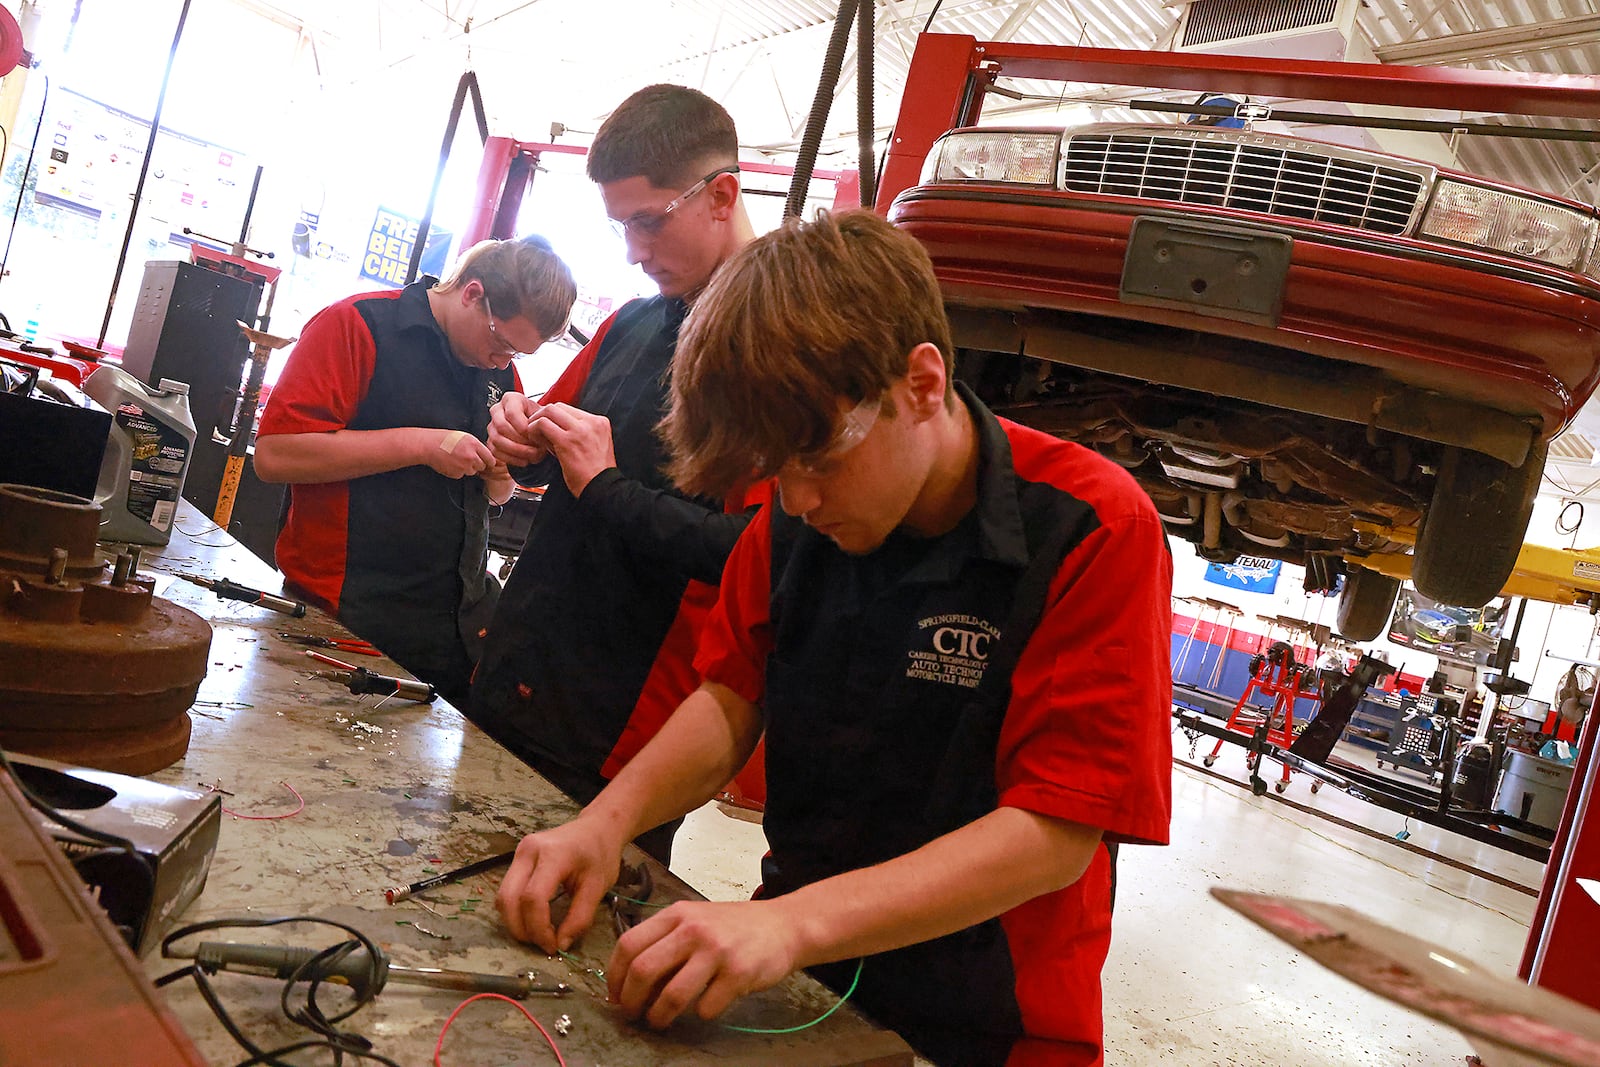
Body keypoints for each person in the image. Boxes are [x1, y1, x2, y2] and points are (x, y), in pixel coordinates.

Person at [494, 210, 1174, 1066]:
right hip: (797, 980)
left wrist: (787, 922)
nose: (799, 500)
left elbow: (1054, 831)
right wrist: (603, 826)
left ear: (921, 385)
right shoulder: (789, 515)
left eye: (817, 462)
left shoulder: (1092, 528)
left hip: (988, 1021)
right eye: (774, 475)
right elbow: (730, 698)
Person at [468, 85, 765, 863]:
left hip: (623, 726)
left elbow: (760, 555)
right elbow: (545, 456)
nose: (633, 249)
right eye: (620, 225)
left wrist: (606, 488)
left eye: (648, 220)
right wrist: (519, 435)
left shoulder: (778, 357)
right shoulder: (632, 322)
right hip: (520, 668)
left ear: (721, 195)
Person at [254, 237, 575, 711]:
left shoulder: (497, 373)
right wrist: (421, 446)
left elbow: (498, 496)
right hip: (345, 617)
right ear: (471, 293)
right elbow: (275, 455)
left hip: (452, 627)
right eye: (502, 342)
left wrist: (501, 467)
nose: (504, 361)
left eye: (519, 355)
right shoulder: (357, 325)